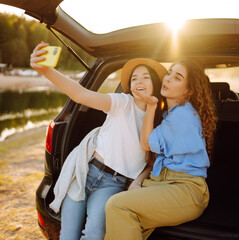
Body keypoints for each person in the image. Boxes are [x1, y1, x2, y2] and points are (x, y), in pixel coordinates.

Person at [30, 41, 167, 240]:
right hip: (86, 172)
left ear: (155, 83)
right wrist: (47, 71)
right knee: (67, 236)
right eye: (135, 78)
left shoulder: (160, 120)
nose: (139, 81)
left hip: (113, 184)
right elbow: (80, 94)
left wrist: (138, 181)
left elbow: (152, 159)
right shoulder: (122, 102)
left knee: (94, 235)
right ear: (129, 86)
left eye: (146, 77)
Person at [104, 58, 217, 240]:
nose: (168, 78)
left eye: (177, 77)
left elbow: (146, 144)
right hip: (165, 183)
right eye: (170, 72)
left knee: (117, 206)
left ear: (188, 91)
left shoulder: (183, 115)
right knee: (122, 222)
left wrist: (151, 105)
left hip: (186, 190)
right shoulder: (171, 114)